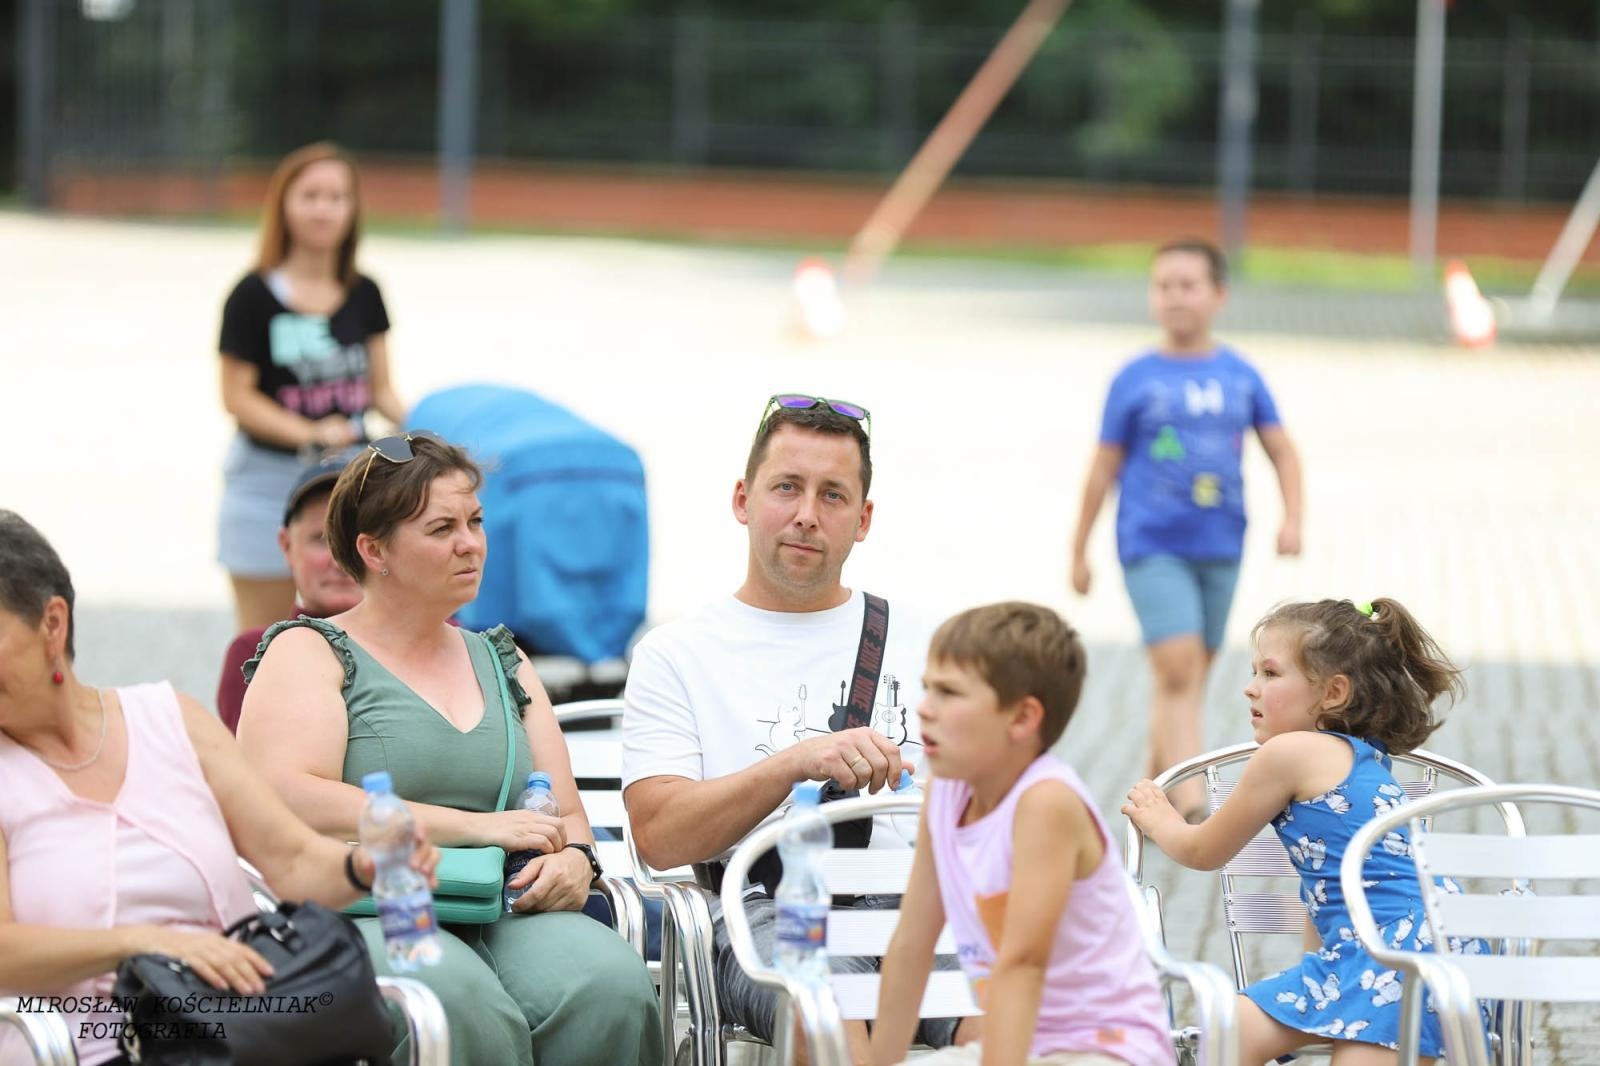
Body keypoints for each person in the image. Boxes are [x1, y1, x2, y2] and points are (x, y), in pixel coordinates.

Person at [237, 433, 661, 1066]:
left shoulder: (504, 659)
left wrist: (577, 862)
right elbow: (284, 793)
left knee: (610, 986)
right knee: (457, 1005)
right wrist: (475, 827)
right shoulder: (311, 650)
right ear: (374, 549)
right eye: (442, 528)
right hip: (372, 906)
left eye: (476, 521)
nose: (471, 543)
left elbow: (567, 815)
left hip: (509, 908)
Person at [0, 509, 437, 1066]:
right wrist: (146, 942)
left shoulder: (170, 721)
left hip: (237, 1028)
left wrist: (364, 867)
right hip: (88, 1048)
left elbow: (294, 859)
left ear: (52, 624)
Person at [622, 394, 971, 1060]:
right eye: (787, 487)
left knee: (1010, 1005)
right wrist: (794, 764)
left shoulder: (935, 644)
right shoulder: (677, 654)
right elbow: (661, 837)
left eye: (833, 496)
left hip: (918, 900)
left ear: (863, 519)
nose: (807, 515)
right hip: (769, 906)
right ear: (742, 500)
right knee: (822, 1011)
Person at [1122, 597, 1488, 1065]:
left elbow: (1202, 850)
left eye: (1270, 674)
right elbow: (1330, 892)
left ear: (1333, 693)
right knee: (1227, 1030)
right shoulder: (1365, 757)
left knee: (1225, 1034)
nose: (1250, 689)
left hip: (1394, 951)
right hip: (1438, 946)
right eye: (1255, 673)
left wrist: (1160, 816)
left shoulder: (1289, 753)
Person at [869, 602, 1174, 1066]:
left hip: (1105, 1049)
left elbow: (1022, 966)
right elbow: (911, 944)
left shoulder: (1044, 803)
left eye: (949, 693)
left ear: (1022, 718)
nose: (924, 708)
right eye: (927, 687)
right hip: (1019, 1046)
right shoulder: (945, 793)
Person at [1069, 237, 1304, 818]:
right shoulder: (1134, 378)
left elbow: (1282, 451)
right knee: (1176, 667)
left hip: (1222, 545)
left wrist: (1292, 517)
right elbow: (1102, 468)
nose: (1175, 297)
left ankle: (1152, 786)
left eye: (1188, 285)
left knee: (1191, 672)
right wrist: (1079, 550)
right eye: (1163, 285)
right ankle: (1191, 797)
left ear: (1217, 294)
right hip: (1150, 545)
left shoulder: (1241, 374)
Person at [217, 142, 406, 632]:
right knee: (261, 642)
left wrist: (429, 429)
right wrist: (308, 431)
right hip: (267, 481)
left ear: (352, 210)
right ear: (284, 204)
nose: (324, 208)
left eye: (337, 197)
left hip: (349, 483)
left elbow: (380, 389)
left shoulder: (365, 293)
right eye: (311, 195)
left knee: (359, 636)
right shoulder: (252, 295)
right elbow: (237, 396)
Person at [216, 448, 364, 732]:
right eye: (322, 540)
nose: (339, 561)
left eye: (354, 538)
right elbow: (250, 772)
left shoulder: (441, 637)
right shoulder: (255, 654)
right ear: (286, 546)